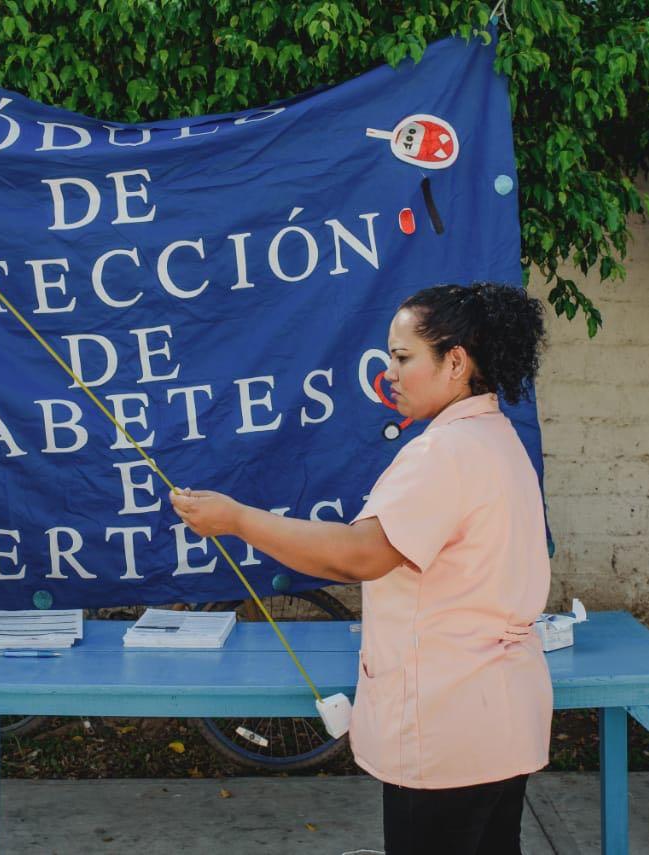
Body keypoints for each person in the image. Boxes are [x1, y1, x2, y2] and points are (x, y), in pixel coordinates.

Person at [170, 282, 551, 855]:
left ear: (454, 362)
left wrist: (238, 520)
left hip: (449, 726)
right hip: (497, 716)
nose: (389, 372)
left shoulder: (443, 452)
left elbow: (358, 554)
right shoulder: (495, 436)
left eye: (402, 357)